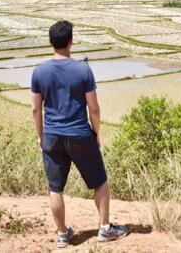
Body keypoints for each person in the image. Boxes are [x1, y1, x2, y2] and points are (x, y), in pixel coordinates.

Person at [31, 20, 127, 249]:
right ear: (71, 41)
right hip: (80, 133)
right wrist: (97, 132)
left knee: (56, 187)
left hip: (52, 135)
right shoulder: (83, 70)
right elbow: (93, 108)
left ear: (49, 42)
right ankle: (105, 229)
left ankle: (63, 234)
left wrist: (40, 136)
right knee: (100, 182)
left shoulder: (38, 71)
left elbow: (36, 109)